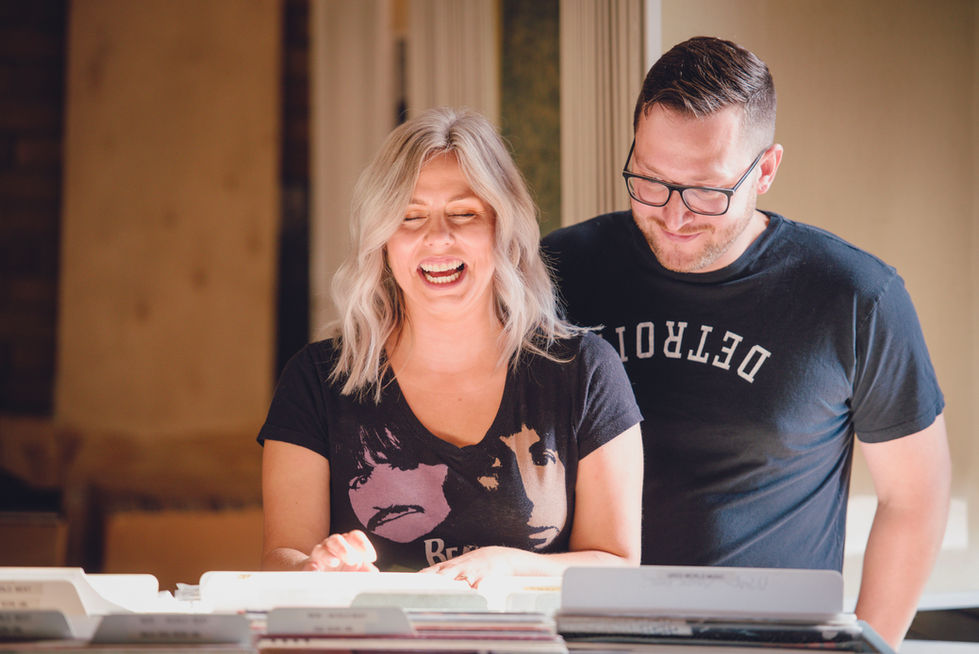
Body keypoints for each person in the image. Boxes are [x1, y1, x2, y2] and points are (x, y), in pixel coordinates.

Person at [542, 36, 950, 649]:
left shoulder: (855, 296)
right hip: (583, 640)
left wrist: (872, 645)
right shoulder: (558, 272)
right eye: (649, 182)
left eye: (706, 191)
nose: (674, 216)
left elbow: (914, 497)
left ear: (765, 170)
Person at [259, 107, 643, 586]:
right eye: (409, 216)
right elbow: (281, 557)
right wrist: (316, 566)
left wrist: (510, 564)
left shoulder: (584, 371)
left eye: (464, 214)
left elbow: (619, 565)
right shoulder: (316, 380)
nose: (437, 238)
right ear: (382, 242)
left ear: (503, 230)